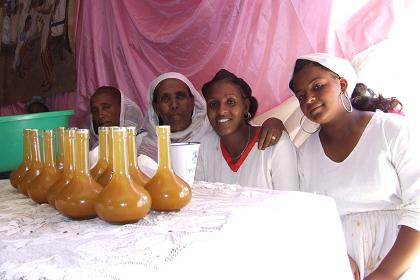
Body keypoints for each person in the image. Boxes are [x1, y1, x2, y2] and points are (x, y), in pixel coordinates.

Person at [289, 53, 420, 279]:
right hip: (339, 268)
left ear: (342, 84)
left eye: (317, 86)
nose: (308, 99)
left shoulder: (391, 130)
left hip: (400, 263)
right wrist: (337, 255)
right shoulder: (304, 155)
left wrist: (386, 273)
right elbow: (309, 218)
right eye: (301, 95)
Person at [139, 72, 284, 162]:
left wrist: (275, 123)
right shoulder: (140, 144)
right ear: (155, 107)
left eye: (180, 96)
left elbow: (248, 130)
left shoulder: (213, 129)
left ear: (192, 102)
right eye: (165, 99)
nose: (174, 104)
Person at [194, 69, 299, 190]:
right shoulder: (205, 145)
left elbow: (289, 203)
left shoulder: (276, 144)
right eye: (213, 104)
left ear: (246, 107)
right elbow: (199, 196)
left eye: (231, 102)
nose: (221, 111)